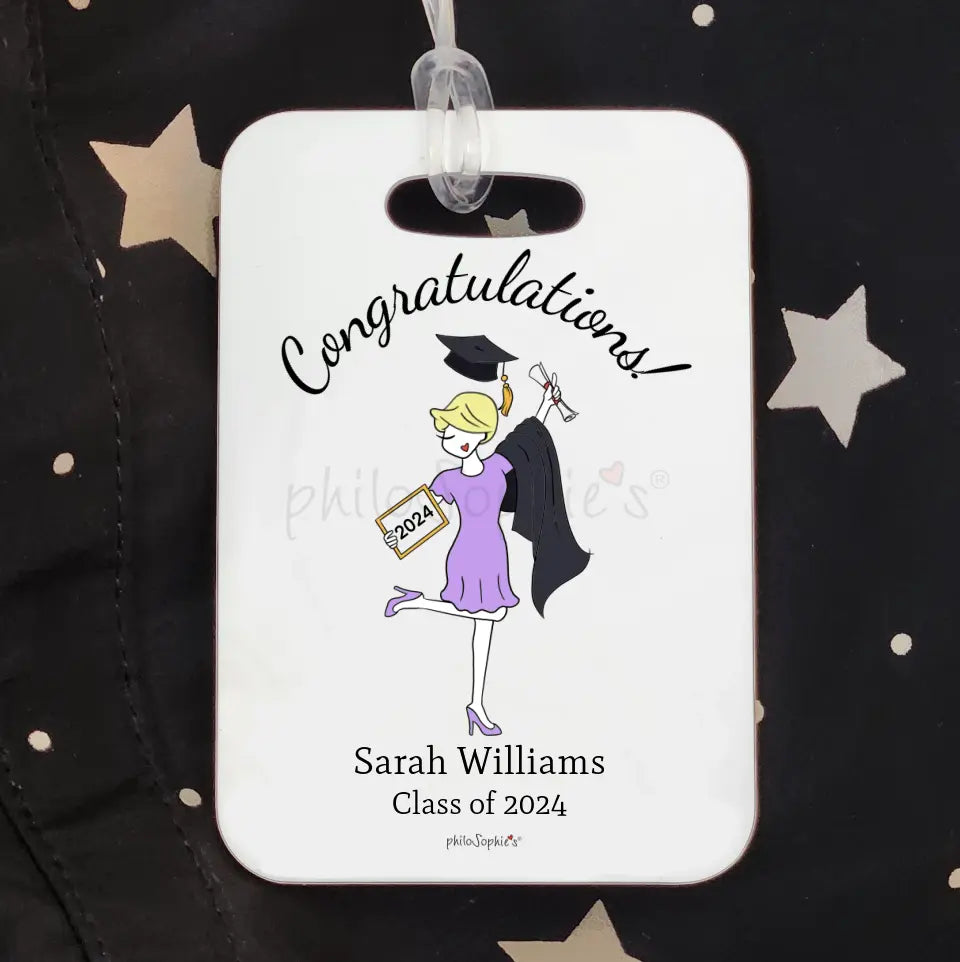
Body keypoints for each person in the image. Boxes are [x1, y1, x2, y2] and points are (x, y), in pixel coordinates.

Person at [383, 374, 589, 736]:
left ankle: (475, 703)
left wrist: (546, 402)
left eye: (457, 433)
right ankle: (416, 605)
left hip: (495, 554)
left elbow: (528, 439)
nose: (450, 441)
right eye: (446, 435)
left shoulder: (497, 466)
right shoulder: (448, 479)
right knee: (487, 616)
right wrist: (396, 535)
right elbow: (423, 516)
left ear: (480, 434)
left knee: (485, 623)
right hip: (466, 554)